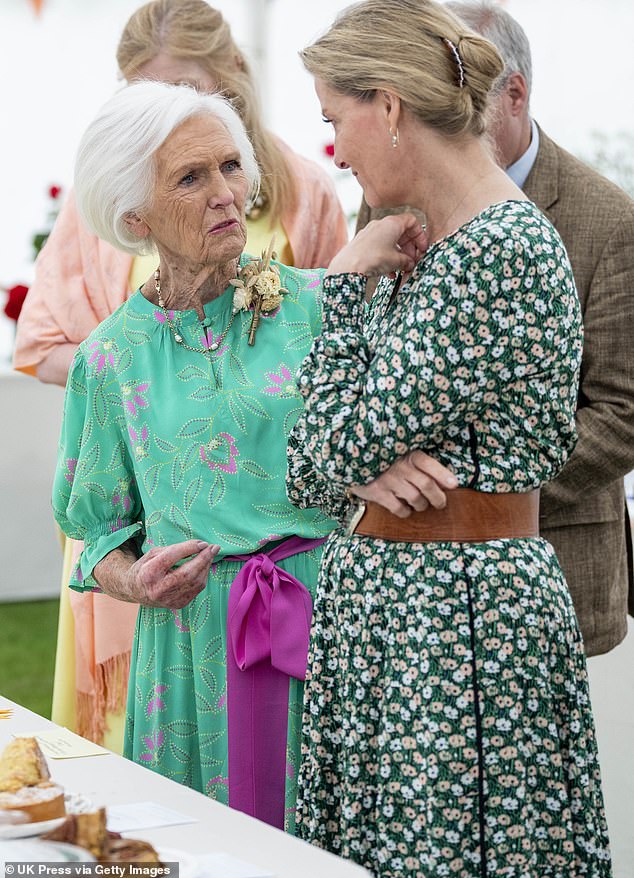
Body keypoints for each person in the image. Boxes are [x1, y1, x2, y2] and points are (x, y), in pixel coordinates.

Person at [287, 0, 612, 874]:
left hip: (456, 623)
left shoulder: (497, 248)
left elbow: (327, 448)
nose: (336, 150)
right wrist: (351, 467)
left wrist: (341, 290)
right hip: (403, 609)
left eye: (335, 119)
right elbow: (321, 462)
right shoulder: (425, 240)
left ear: (388, 105)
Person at [14, 0, 348, 750]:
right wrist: (133, 581)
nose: (226, 191)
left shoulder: (315, 306)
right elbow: (95, 531)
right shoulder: (110, 359)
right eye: (192, 178)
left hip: (326, 625)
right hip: (188, 648)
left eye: (231, 166)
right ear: (136, 219)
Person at [357, 0, 634, 658]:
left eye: (458, 92)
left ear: (515, 93)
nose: (438, 112)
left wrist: (468, 485)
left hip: (555, 574)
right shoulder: (383, 199)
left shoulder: (608, 220)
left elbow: (623, 411)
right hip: (408, 581)